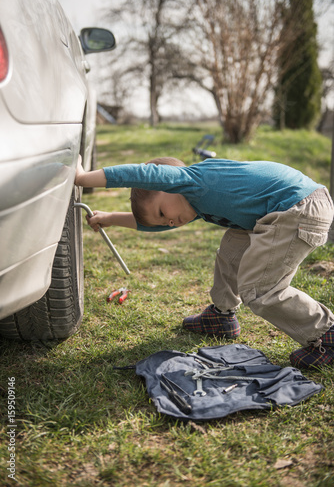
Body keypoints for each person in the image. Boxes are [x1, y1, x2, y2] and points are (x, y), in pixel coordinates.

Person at [75, 155, 334, 369]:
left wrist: (83, 178)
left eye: (164, 213)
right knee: (231, 252)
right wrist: (109, 217)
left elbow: (139, 175)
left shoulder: (195, 182)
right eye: (165, 220)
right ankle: (222, 316)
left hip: (298, 208)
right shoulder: (195, 202)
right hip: (279, 209)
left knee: (260, 288)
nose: (171, 222)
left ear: (171, 184)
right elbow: (153, 224)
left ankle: (326, 334)